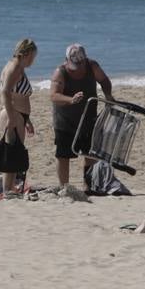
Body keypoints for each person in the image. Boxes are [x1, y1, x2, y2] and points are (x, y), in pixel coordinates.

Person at [50, 44, 114, 188]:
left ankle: (88, 186)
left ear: (85, 59)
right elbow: (54, 95)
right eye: (74, 65)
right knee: (63, 155)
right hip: (64, 120)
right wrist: (70, 100)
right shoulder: (60, 72)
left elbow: (104, 80)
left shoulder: (92, 66)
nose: (78, 67)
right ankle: (64, 187)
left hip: (88, 116)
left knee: (90, 153)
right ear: (67, 60)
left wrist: (108, 95)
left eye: (80, 64)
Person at [0, 38, 38, 197]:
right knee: (12, 151)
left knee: (16, 151)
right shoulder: (14, 68)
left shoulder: (19, 68)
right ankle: (7, 189)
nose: (33, 61)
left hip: (19, 115)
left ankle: (11, 187)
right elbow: (5, 92)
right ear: (25, 54)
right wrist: (12, 116)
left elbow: (17, 94)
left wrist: (27, 120)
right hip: (12, 114)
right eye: (32, 57)